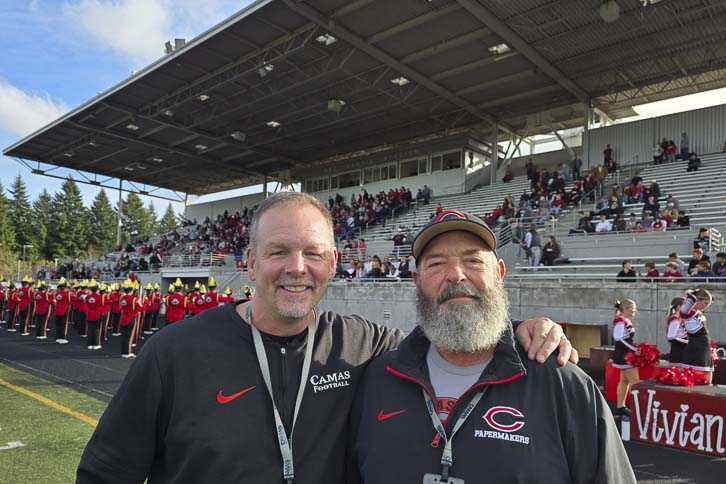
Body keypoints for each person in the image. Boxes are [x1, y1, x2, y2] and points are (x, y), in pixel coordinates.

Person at [77, 193, 575, 484]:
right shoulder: (173, 353)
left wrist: (519, 330)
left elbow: (453, 334)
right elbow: (104, 475)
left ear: (333, 265)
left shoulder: (366, 345)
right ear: (249, 263)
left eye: (313, 254)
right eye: (278, 252)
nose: (297, 268)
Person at [347, 212, 635, 484]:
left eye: (473, 261)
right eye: (436, 264)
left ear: (499, 273)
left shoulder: (564, 386)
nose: (455, 274)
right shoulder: (377, 379)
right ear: (416, 280)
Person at [679, 289, 715, 383]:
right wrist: (690, 295)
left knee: (707, 379)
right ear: (697, 300)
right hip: (696, 348)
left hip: (703, 347)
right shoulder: (687, 312)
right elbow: (683, 310)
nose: (706, 306)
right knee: (696, 380)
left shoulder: (694, 312)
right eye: (705, 303)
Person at [611, 299, 639, 416]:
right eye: (633, 308)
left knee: (624, 381)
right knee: (635, 382)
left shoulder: (624, 320)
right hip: (624, 355)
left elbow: (625, 339)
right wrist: (634, 350)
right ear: (627, 308)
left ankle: (620, 407)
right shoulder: (620, 321)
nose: (635, 310)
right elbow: (618, 338)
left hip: (624, 354)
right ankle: (637, 408)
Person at [666, 297, 687, 367]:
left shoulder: (680, 318)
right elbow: (671, 337)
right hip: (678, 352)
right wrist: (688, 342)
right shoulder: (675, 318)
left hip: (682, 351)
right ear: (679, 307)